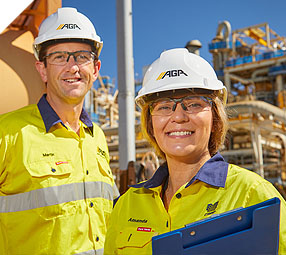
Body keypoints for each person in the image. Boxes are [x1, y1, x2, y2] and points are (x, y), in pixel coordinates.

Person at [104, 48, 286, 254]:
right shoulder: (127, 205)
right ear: (150, 122)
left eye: (193, 104)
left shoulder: (252, 194)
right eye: (164, 106)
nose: (179, 117)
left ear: (215, 117)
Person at [0, 7, 119, 255]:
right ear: (42, 69)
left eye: (81, 56)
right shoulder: (9, 133)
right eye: (59, 57)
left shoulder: (96, 137)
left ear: (95, 69)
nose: (72, 67)